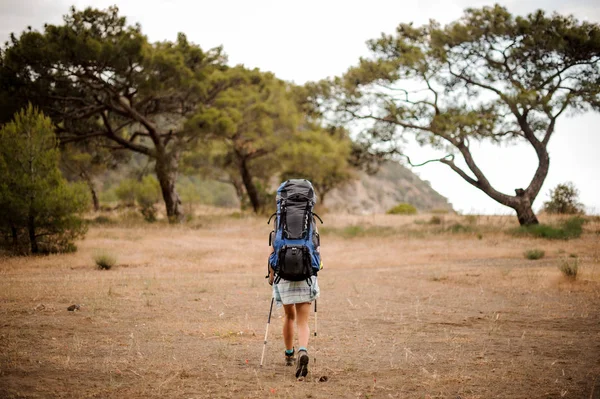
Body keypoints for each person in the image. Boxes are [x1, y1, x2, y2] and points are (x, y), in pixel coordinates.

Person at [268, 255, 320, 379]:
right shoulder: (313, 234)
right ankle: (302, 350)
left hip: (283, 278)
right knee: (302, 321)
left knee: (289, 316)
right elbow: (317, 258)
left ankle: (289, 354)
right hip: (306, 278)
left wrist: (271, 276)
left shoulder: (277, 234)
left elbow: (271, 257)